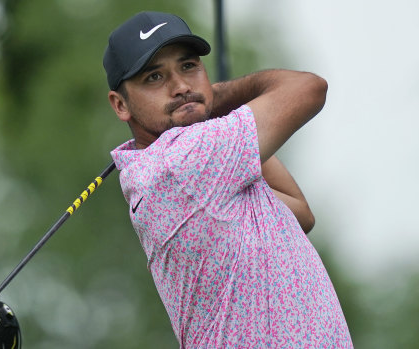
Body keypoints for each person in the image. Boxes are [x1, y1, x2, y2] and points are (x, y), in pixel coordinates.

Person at [103, 11, 353, 348]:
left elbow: (298, 213)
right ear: (121, 105)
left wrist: (209, 112)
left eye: (189, 66)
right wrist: (221, 96)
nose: (181, 87)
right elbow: (308, 88)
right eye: (155, 77)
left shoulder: (193, 171)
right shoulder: (182, 160)